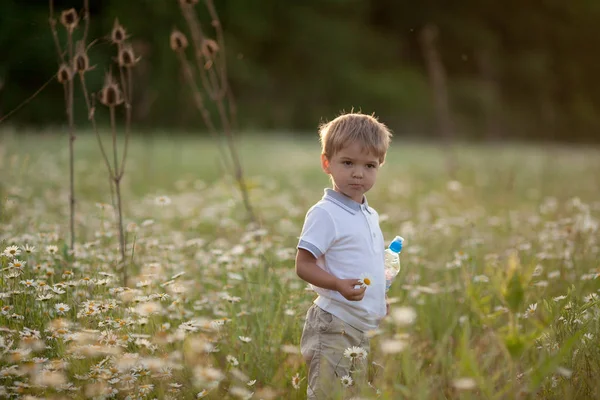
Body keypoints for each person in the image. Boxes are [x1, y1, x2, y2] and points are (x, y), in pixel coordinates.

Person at [296, 111, 393, 399]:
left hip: (361, 325)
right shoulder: (325, 213)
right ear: (327, 162)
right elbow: (303, 264)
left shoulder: (369, 213)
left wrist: (379, 298)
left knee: (352, 393)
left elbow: (365, 263)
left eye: (369, 165)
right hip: (334, 323)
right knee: (328, 393)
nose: (358, 173)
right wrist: (336, 284)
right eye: (348, 163)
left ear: (380, 166)